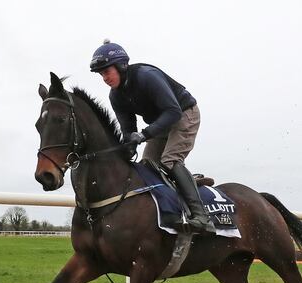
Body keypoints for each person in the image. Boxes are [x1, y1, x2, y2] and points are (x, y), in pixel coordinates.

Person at [89, 39, 214, 233]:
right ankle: (174, 202)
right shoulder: (116, 96)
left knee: (169, 161)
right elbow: (128, 129)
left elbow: (173, 112)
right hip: (160, 124)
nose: (104, 78)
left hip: (183, 113)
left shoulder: (147, 76)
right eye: (101, 74)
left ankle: (201, 217)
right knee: (146, 168)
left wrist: (144, 134)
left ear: (121, 66)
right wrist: (127, 146)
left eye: (106, 71)